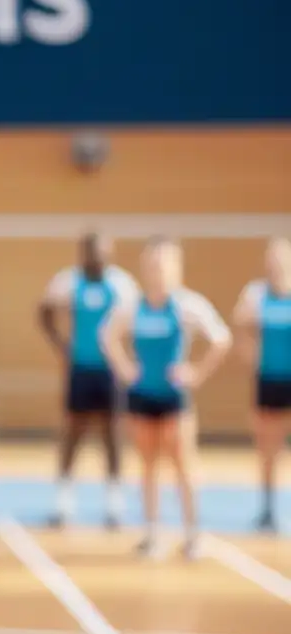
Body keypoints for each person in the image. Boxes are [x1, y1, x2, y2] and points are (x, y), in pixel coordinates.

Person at [100, 237, 230, 560]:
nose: (157, 271)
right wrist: (125, 369)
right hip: (143, 397)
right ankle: (152, 533)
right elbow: (107, 336)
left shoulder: (187, 305)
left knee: (184, 465)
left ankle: (192, 533)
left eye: (163, 265)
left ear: (176, 268)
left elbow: (221, 338)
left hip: (175, 398)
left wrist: (196, 373)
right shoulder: (132, 305)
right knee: (147, 466)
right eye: (152, 265)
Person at [38, 233, 139, 529]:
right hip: (80, 369)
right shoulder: (68, 282)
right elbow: (44, 311)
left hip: (109, 371)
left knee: (112, 433)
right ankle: (63, 501)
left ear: (111, 252)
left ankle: (113, 502)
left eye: (103, 251)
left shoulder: (122, 284)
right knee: (73, 431)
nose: (97, 257)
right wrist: (61, 344)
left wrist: (125, 355)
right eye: (92, 251)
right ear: (83, 253)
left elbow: (138, 320)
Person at [233, 236, 291, 532]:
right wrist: (251, 356)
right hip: (269, 380)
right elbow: (240, 326)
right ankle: (268, 508)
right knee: (268, 447)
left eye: (281, 259)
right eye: (272, 259)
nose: (276, 265)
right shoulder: (257, 294)